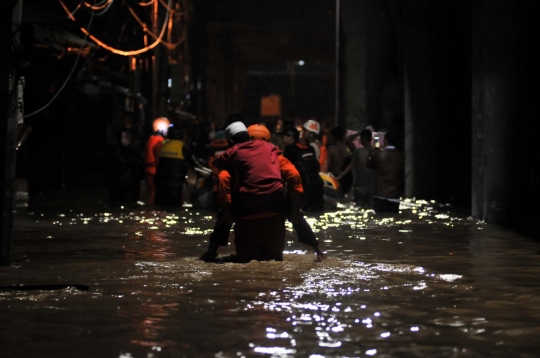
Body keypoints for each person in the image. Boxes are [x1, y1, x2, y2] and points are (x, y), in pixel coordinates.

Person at [200, 122, 302, 263]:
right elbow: (294, 175)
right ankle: (317, 250)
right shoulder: (273, 151)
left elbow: (223, 179)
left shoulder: (232, 154)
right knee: (275, 261)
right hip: (276, 210)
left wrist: (227, 213)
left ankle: (211, 253)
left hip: (246, 212)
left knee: (224, 218)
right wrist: (295, 209)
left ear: (230, 141)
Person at [280, 121, 325, 212]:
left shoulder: (290, 149)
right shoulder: (309, 148)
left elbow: (283, 169)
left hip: (303, 190)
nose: (282, 139)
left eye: (284, 136)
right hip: (316, 187)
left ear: (290, 137)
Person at [154, 124, 198, 206]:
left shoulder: (164, 145)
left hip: (161, 184)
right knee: (175, 208)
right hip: (176, 186)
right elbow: (194, 162)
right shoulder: (182, 147)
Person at [366, 131, 404, 213]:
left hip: (380, 195)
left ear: (385, 141)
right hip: (394, 196)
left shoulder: (378, 155)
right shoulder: (401, 156)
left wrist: (372, 151)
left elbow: (368, 164)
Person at [338, 129, 375, 208]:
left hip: (360, 187)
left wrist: (339, 177)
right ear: (371, 139)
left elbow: (350, 166)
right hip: (373, 188)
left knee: (359, 209)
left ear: (362, 139)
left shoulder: (358, 152)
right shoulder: (376, 152)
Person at [144, 117, 170, 205]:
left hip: (150, 170)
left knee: (152, 193)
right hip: (155, 171)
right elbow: (159, 157)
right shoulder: (158, 140)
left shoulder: (151, 138)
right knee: (154, 194)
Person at [327, 126, 352, 195]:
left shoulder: (332, 150)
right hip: (345, 179)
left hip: (334, 177)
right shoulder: (346, 149)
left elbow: (327, 166)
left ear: (333, 137)